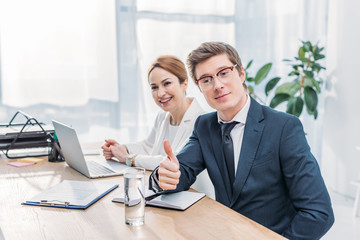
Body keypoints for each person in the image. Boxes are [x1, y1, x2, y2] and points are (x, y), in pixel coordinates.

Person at [150, 42, 334, 239]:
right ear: (199, 87)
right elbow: (181, 171)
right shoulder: (204, 126)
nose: (217, 85)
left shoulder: (283, 128)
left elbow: (319, 212)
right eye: (206, 79)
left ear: (241, 74)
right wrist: (164, 175)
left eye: (223, 73)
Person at [102, 55, 214, 199]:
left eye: (167, 83)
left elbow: (170, 163)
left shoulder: (201, 121)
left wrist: (129, 158)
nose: (160, 93)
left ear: (184, 83)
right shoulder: (163, 117)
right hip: (167, 196)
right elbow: (148, 146)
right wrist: (122, 149)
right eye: (154, 87)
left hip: (193, 198)